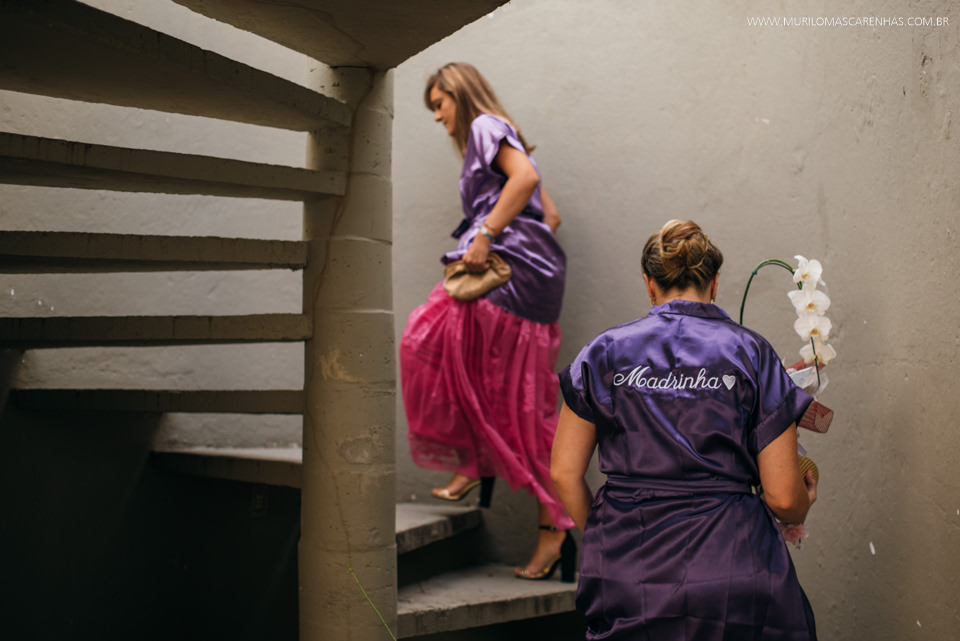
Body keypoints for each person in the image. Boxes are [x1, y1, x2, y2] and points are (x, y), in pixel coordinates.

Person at [551, 220, 819, 638]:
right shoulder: (751, 352)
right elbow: (784, 497)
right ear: (714, 283)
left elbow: (564, 474)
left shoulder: (602, 353)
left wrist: (609, 537)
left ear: (649, 284)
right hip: (734, 567)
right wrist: (803, 503)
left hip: (628, 566)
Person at [400, 62, 575, 581]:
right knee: (508, 394)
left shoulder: (483, 125)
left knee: (427, 343)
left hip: (507, 278)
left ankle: (553, 530)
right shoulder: (500, 132)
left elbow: (527, 180)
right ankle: (475, 464)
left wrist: (487, 238)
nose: (438, 117)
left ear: (458, 93)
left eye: (439, 104)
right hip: (525, 278)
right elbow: (552, 216)